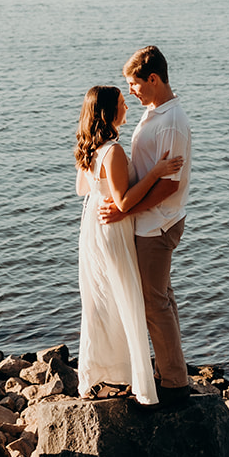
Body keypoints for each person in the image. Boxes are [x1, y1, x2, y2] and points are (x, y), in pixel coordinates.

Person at [75, 84, 184, 405]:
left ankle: (102, 375)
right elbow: (122, 202)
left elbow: (85, 189)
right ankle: (129, 378)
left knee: (100, 302)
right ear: (109, 113)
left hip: (93, 227)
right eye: (122, 104)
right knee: (126, 301)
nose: (127, 107)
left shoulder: (88, 147)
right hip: (114, 229)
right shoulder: (113, 151)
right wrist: (155, 172)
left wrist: (105, 194)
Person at [99, 45, 193, 408]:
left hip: (158, 223)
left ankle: (173, 384)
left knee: (154, 304)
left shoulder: (172, 121)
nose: (130, 91)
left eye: (134, 83)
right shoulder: (154, 112)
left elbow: (170, 184)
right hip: (147, 219)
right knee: (161, 299)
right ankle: (172, 372)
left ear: (153, 79)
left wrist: (126, 210)